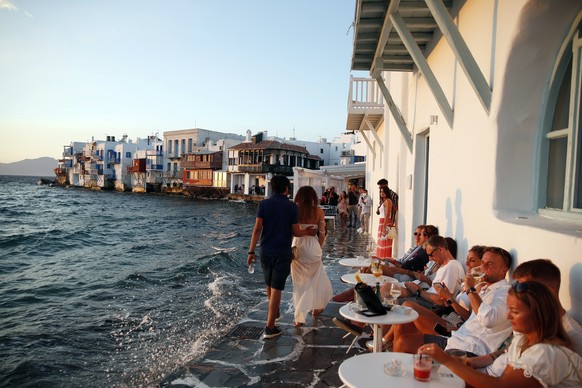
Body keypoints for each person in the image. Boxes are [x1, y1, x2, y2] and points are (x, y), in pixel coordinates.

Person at [418, 280, 582, 387]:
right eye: (509, 309)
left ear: (538, 314)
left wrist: (448, 361)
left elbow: (501, 386)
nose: (508, 316)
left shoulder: (545, 353)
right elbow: (504, 357)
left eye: (515, 311)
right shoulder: (523, 339)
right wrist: (465, 362)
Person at [472, 259, 582, 376]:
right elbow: (511, 350)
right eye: (516, 285)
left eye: (525, 288)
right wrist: (471, 362)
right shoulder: (529, 320)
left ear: (548, 291)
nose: (518, 293)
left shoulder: (572, 337)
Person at [398, 246, 513, 357]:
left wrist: (469, 289)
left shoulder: (505, 293)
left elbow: (487, 319)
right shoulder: (484, 288)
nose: (483, 267)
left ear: (504, 271)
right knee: (403, 341)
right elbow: (472, 317)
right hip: (456, 338)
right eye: (483, 262)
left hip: (469, 349)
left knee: (408, 310)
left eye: (490, 264)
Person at [247, 175, 317, 339]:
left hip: (265, 250)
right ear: (286, 188)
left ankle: (274, 309)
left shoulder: (263, 204)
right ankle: (270, 327)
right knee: (277, 287)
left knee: (269, 283)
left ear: (272, 188)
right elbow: (296, 231)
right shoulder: (292, 207)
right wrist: (308, 232)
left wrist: (251, 251)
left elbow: (257, 229)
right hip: (282, 252)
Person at [385, 245, 485, 347]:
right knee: (403, 329)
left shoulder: (478, 288)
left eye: (472, 261)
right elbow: (451, 304)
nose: (467, 264)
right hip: (445, 315)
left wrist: (450, 299)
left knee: (407, 307)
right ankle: (389, 344)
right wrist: (447, 297)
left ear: (483, 265)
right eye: (467, 259)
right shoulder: (468, 283)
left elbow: (471, 317)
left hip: (453, 325)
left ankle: (385, 340)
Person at [290, 186, 332, 327]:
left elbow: (292, 231)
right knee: (315, 279)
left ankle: (299, 317)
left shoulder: (295, 210)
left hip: (298, 247)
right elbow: (322, 233)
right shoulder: (319, 211)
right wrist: (318, 246)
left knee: (299, 283)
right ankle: (315, 308)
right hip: (313, 247)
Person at [375, 186, 394, 258]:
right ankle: (381, 259)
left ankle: (384, 260)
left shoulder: (388, 201)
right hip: (382, 222)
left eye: (383, 191)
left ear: (387, 192)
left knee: (385, 243)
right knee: (382, 243)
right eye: (381, 191)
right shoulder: (384, 201)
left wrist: (384, 226)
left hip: (385, 222)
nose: (381, 193)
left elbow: (388, 214)